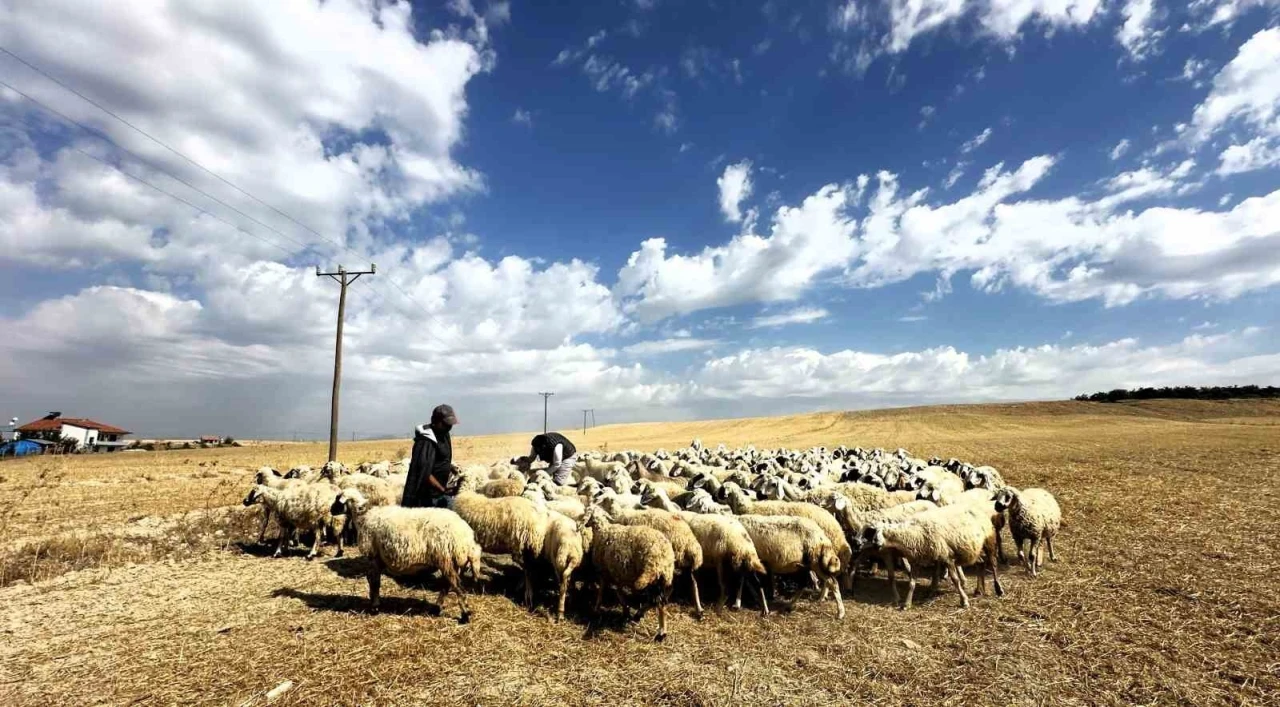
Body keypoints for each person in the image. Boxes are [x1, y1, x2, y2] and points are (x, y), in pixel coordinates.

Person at [402, 404, 457, 508]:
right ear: (436, 421)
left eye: (450, 424)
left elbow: (438, 460)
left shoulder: (443, 434)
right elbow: (423, 471)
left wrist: (449, 467)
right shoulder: (425, 441)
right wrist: (442, 490)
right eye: (446, 424)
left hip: (440, 493)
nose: (449, 427)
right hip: (428, 497)